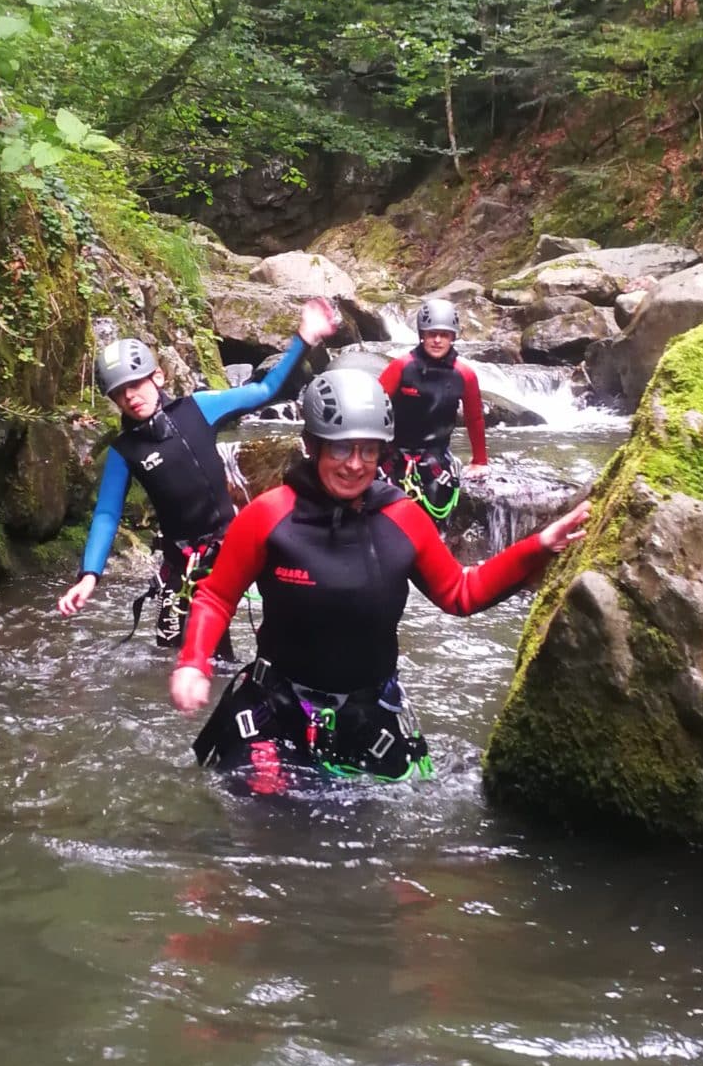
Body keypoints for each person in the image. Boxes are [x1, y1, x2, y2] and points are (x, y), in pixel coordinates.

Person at [168, 364, 587, 785]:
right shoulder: (269, 515)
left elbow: (460, 593)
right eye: (341, 449)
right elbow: (217, 596)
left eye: (368, 451)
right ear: (312, 446)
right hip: (277, 707)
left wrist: (538, 546)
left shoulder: (402, 517)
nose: (355, 465)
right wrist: (193, 662)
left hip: (368, 715)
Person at [57, 296, 341, 648]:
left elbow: (265, 390)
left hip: (232, 547)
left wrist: (304, 338)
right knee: (174, 651)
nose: (129, 397)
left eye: (135, 385)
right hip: (182, 563)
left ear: (157, 376)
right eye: (119, 393)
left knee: (284, 629)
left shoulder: (199, 408)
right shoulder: (124, 451)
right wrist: (89, 575)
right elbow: (106, 514)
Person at [378, 294, 488, 521]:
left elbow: (474, 418)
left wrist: (479, 461)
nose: (437, 340)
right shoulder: (401, 367)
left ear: (453, 337)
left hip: (436, 457)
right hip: (395, 454)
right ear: (422, 335)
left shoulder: (464, 375)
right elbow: (373, 407)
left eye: (444, 335)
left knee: (434, 510)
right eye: (432, 334)